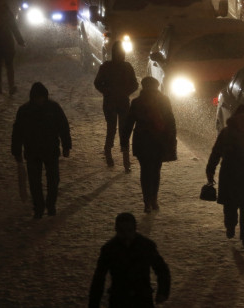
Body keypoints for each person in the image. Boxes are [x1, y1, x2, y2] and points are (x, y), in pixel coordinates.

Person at [206, 104, 244, 248]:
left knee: (230, 204)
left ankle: (231, 226)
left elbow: (216, 152)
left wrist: (210, 170)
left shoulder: (227, 132)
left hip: (229, 172)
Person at [11, 82, 72, 218]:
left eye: (41, 97)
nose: (39, 100)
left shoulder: (52, 108)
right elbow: (18, 132)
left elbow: (63, 127)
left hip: (49, 150)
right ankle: (39, 207)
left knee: (53, 180)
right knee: (35, 181)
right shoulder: (26, 111)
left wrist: (66, 145)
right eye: (37, 97)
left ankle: (50, 205)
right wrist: (16, 151)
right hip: (34, 151)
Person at [89, 212, 170, 308]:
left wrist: (162, 292)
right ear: (116, 230)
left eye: (129, 231)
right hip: (121, 300)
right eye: (122, 231)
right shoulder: (109, 249)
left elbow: (162, 270)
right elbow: (99, 279)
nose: (126, 235)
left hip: (140, 299)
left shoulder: (146, 246)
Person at [125, 77, 176, 213]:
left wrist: (124, 141)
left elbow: (129, 122)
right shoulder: (164, 100)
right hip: (159, 140)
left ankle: (147, 201)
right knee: (156, 170)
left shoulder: (137, 102)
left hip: (142, 141)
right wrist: (172, 139)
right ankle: (154, 199)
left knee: (145, 171)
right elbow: (170, 121)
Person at [93, 40, 138, 171]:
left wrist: (107, 92)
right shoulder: (125, 67)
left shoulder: (107, 66)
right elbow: (134, 84)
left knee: (115, 130)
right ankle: (123, 160)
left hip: (113, 102)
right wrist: (124, 92)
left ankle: (112, 155)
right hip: (118, 102)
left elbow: (97, 83)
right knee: (117, 130)